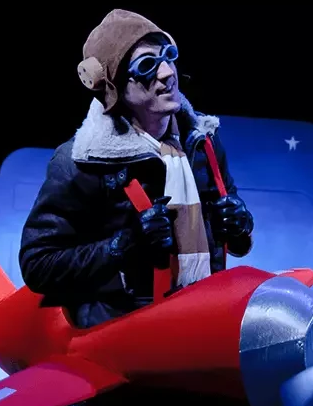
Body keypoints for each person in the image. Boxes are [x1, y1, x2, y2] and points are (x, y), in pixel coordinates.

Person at [19, 8, 254, 331]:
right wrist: (123, 246)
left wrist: (239, 226)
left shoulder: (202, 142)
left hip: (202, 326)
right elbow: (39, 265)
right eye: (146, 66)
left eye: (168, 55)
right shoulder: (81, 161)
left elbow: (230, 237)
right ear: (114, 86)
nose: (167, 73)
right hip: (124, 340)